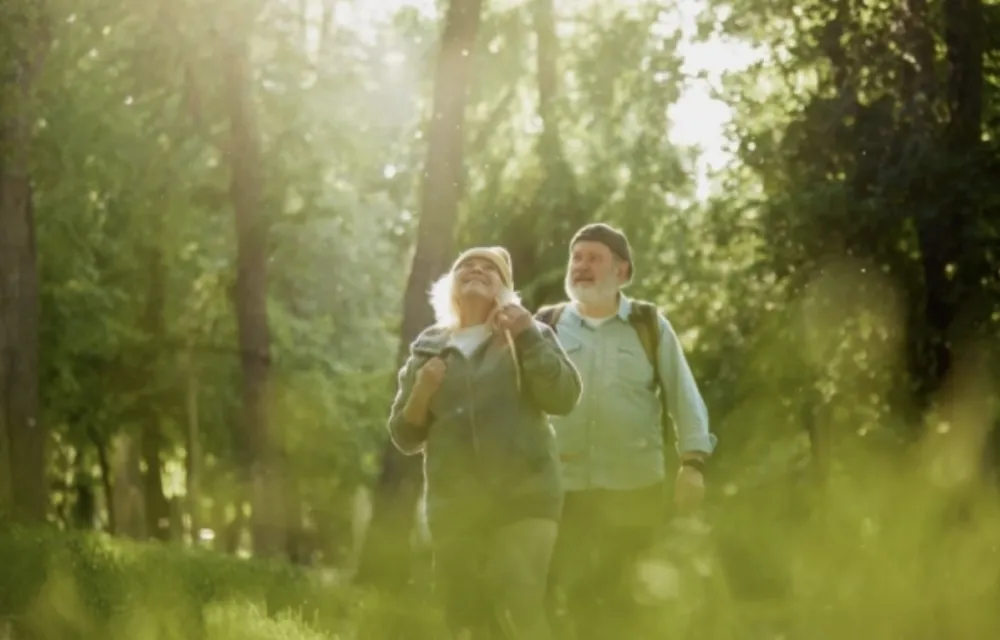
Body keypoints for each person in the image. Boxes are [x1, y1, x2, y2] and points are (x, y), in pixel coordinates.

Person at [388, 245, 583, 639]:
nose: (476, 271)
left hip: (525, 494)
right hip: (455, 503)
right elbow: (404, 435)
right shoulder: (428, 346)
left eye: (488, 269)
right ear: (450, 285)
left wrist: (526, 335)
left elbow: (563, 396)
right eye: (466, 267)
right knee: (466, 619)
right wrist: (423, 391)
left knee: (517, 604)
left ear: (504, 289)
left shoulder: (528, 333)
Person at [536, 223, 717, 639]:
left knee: (627, 605)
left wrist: (693, 463)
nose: (581, 266)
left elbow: (684, 395)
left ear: (622, 272)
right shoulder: (545, 325)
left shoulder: (649, 325)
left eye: (594, 258)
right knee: (559, 603)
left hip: (633, 490)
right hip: (559, 490)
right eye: (576, 257)